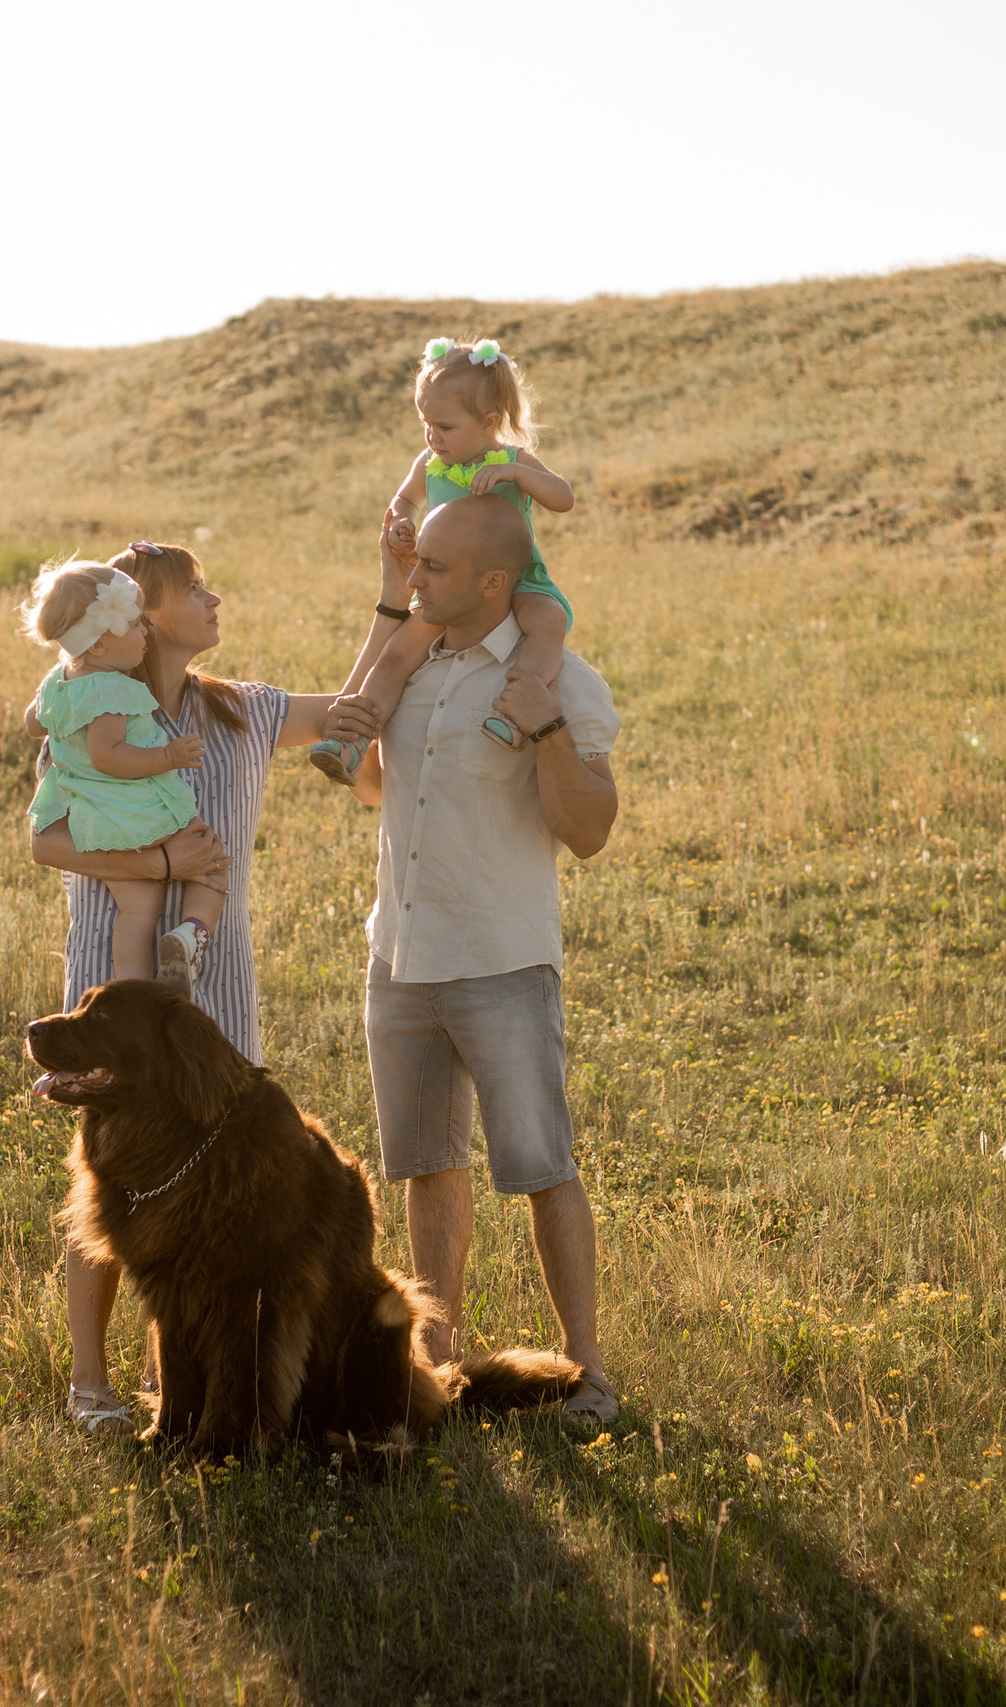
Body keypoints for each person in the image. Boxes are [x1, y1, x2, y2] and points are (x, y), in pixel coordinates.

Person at [29, 540, 353, 1433]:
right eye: (192, 590)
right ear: (144, 615)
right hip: (111, 973)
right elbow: (47, 839)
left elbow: (357, 707)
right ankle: (90, 1383)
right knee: (109, 1174)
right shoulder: (89, 713)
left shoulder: (240, 713)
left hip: (213, 986)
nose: (214, 599)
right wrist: (160, 858)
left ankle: (174, 1385)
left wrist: (397, 597)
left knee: (209, 1181)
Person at [328, 495, 623, 1429]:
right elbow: (368, 781)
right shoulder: (413, 668)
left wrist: (544, 730)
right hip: (402, 954)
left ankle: (589, 1373)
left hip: (501, 955)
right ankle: (440, 1370)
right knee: (426, 1163)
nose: (419, 580)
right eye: (416, 564)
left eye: (437, 569)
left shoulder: (565, 682)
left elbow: (591, 831)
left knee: (541, 1164)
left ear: (496, 582)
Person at [309, 337, 576, 780]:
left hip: (516, 578)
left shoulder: (509, 458)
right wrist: (400, 520)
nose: (433, 435)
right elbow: (403, 499)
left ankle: (513, 717)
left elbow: (564, 498)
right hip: (448, 586)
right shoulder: (430, 461)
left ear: (490, 422)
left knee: (547, 621)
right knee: (397, 655)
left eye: (445, 426)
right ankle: (353, 740)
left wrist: (517, 473)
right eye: (425, 423)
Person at [19, 561, 218, 996]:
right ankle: (190, 936)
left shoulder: (60, 680)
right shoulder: (111, 689)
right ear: (98, 648)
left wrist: (62, 716)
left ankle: (132, 992)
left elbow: (34, 723)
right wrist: (168, 754)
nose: (145, 631)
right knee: (210, 857)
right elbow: (107, 757)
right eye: (132, 625)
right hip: (130, 808)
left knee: (137, 911)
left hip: (88, 813)